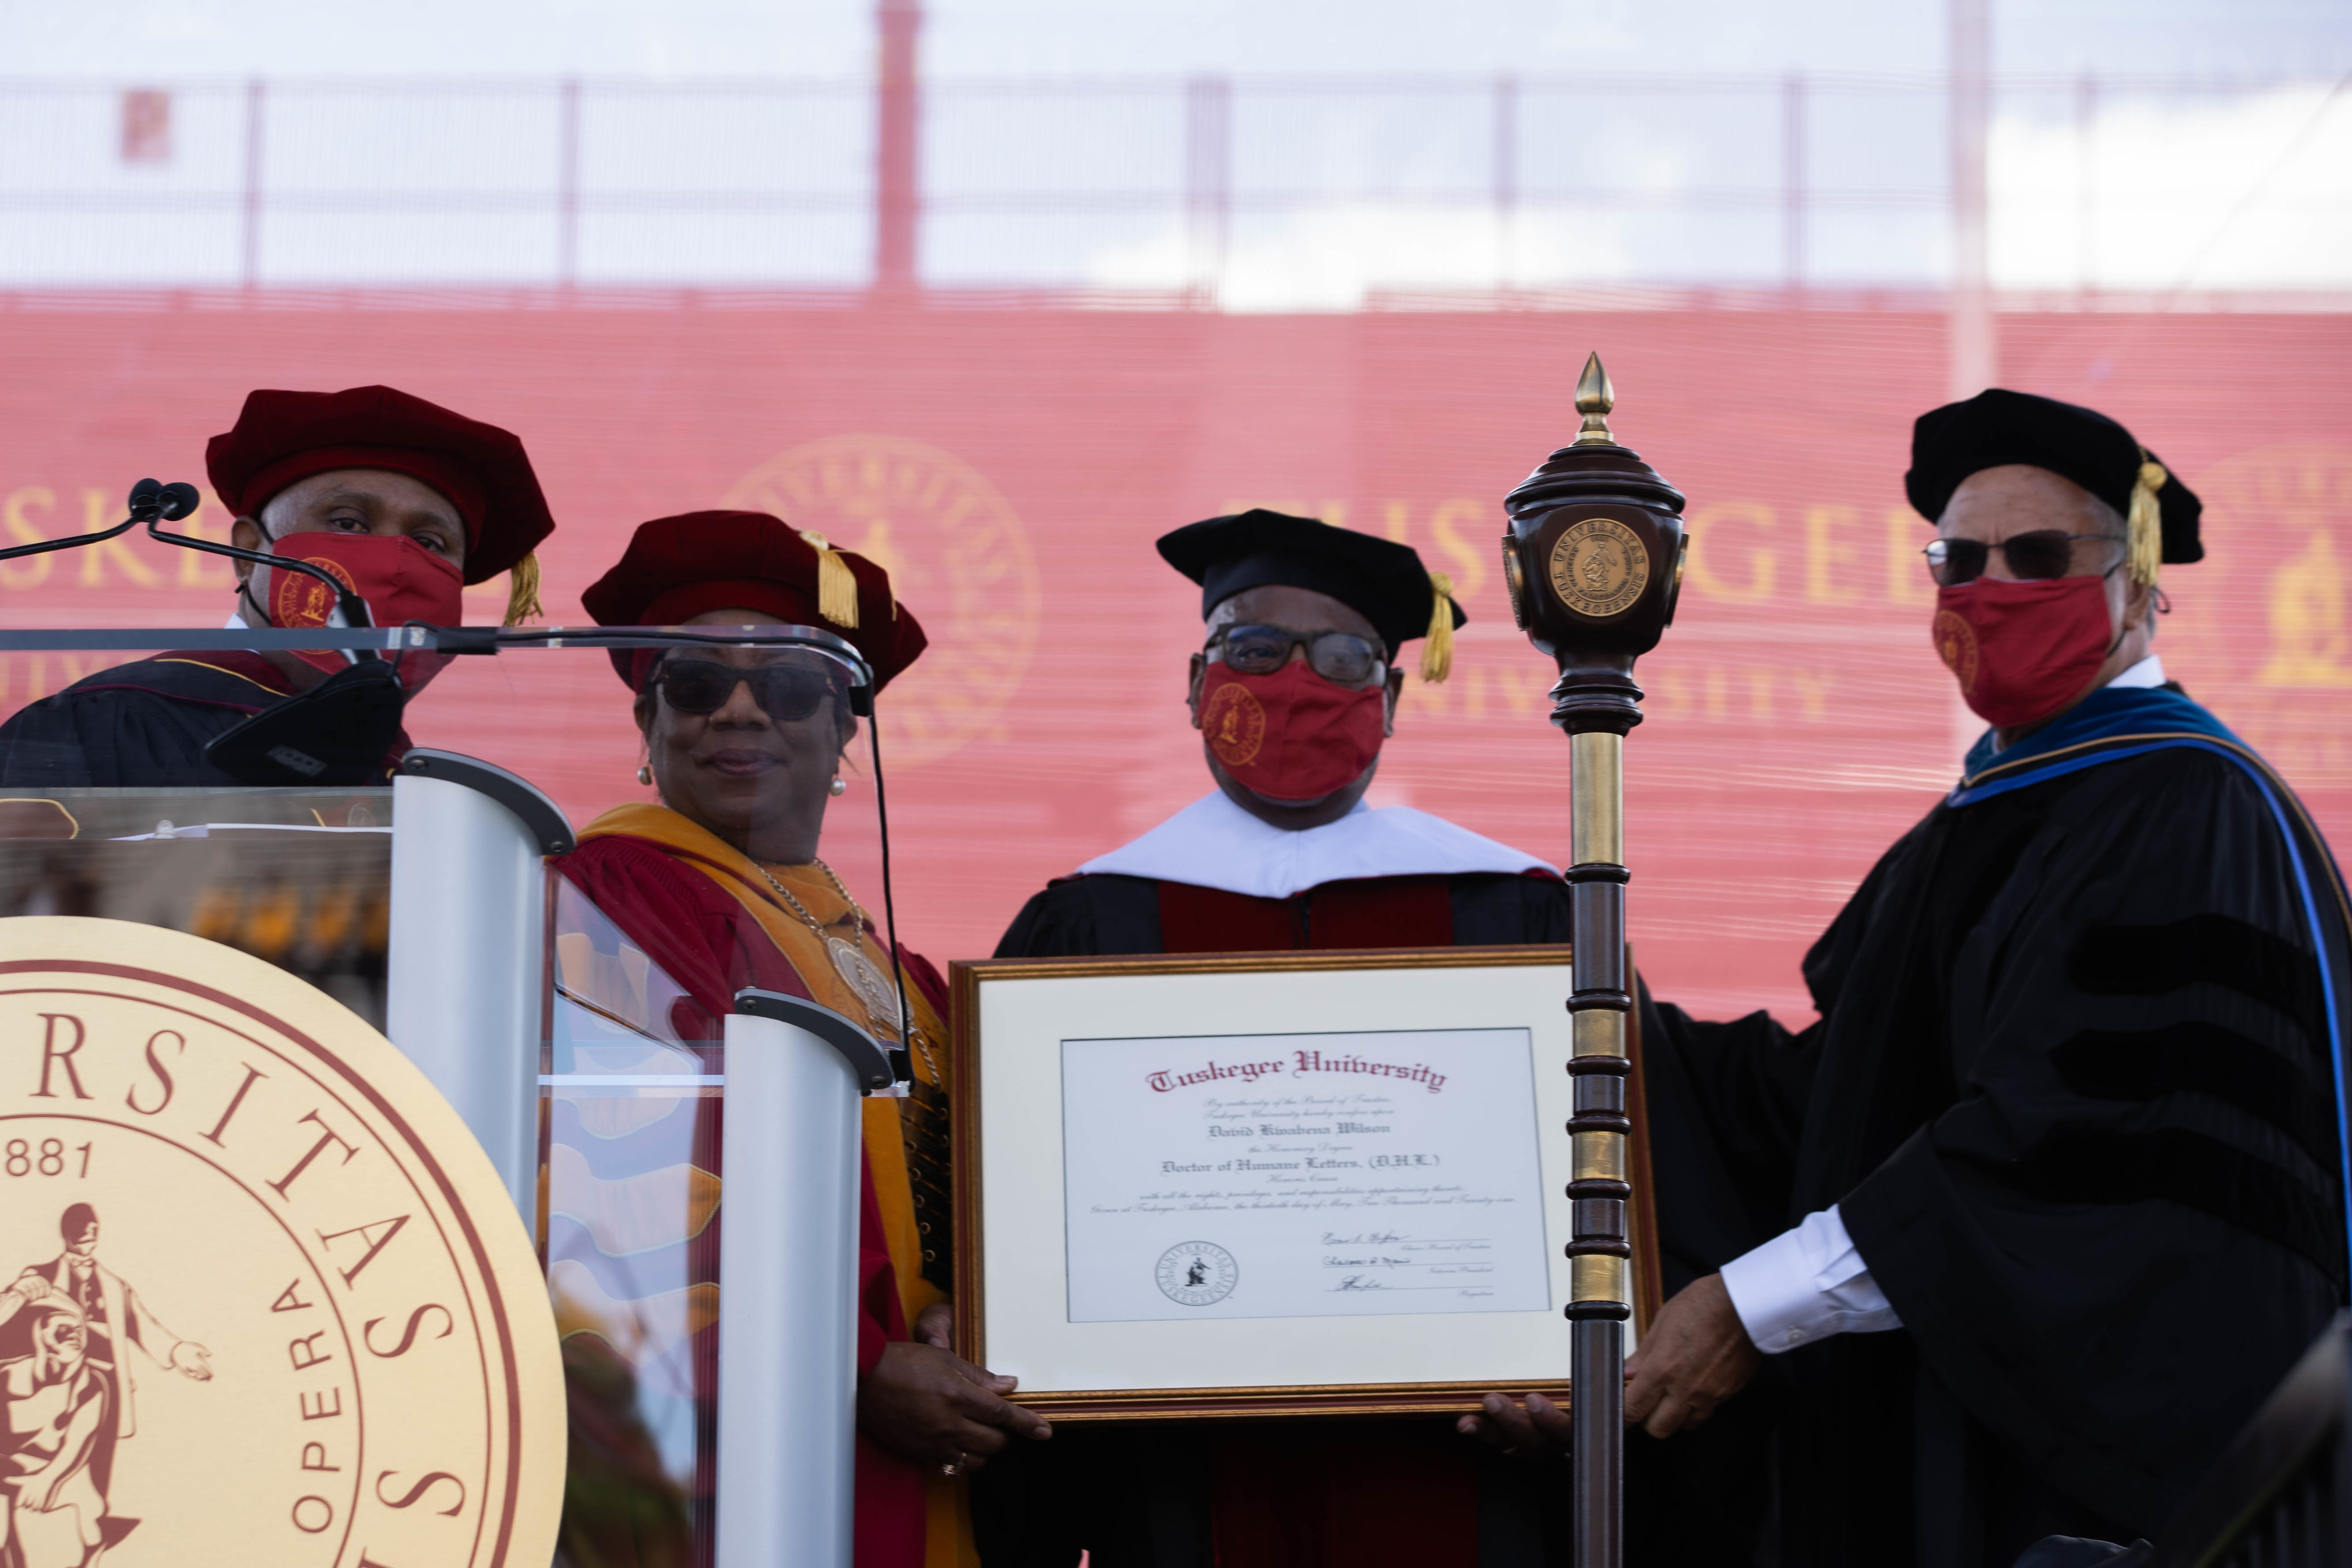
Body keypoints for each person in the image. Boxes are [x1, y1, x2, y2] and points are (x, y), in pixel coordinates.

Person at [1471, 389, 2351, 1566]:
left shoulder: (2186, 806)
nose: (1988, 586)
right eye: (1957, 557)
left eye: (2036, 555)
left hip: (2083, 1484)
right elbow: (1834, 1107)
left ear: (2138, 587)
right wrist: (1574, 1017)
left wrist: (1750, 1303)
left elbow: (2078, 1152)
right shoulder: (1986, 816)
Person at [984, 510, 1573, 1568]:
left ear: (1390, 700)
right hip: (1176, 1469)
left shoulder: (1519, 911)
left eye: (1344, 657)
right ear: (1195, 681)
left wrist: (1574, 1360)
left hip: (1460, 1460)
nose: (1294, 683)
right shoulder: (1083, 926)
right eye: (1252, 649)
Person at [553, 510, 1048, 1568]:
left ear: (842, 733)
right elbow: (620, 1186)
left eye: (786, 684)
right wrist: (857, 1366)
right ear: (646, 722)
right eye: (694, 683)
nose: (739, 707)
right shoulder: (606, 899)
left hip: (937, 1451)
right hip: (744, 1459)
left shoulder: (905, 974)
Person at [0, 384, 554, 786]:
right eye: (346, 523)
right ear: (248, 553)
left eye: (431, 544)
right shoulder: (114, 720)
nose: (393, 560)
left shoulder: (422, 789)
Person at [0, 1204, 210, 1522]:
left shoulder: (114, 1286)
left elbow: (142, 1325)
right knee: (32, 1459)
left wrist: (177, 1350)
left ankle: (89, 1522)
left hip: (105, 1384)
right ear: (67, 1234)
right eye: (81, 1230)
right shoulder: (40, 1275)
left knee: (95, 1460)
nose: (88, 1237)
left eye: (92, 1230)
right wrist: (18, 1293)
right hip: (52, 1381)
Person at [0, 1300, 117, 1568]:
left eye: (80, 1330)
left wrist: (46, 1479)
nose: (74, 1336)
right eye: (64, 1329)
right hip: (10, 1471)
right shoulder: (9, 1375)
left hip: (61, 1475)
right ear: (40, 1334)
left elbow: (78, 1443)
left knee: (68, 1541)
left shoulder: (93, 1384)